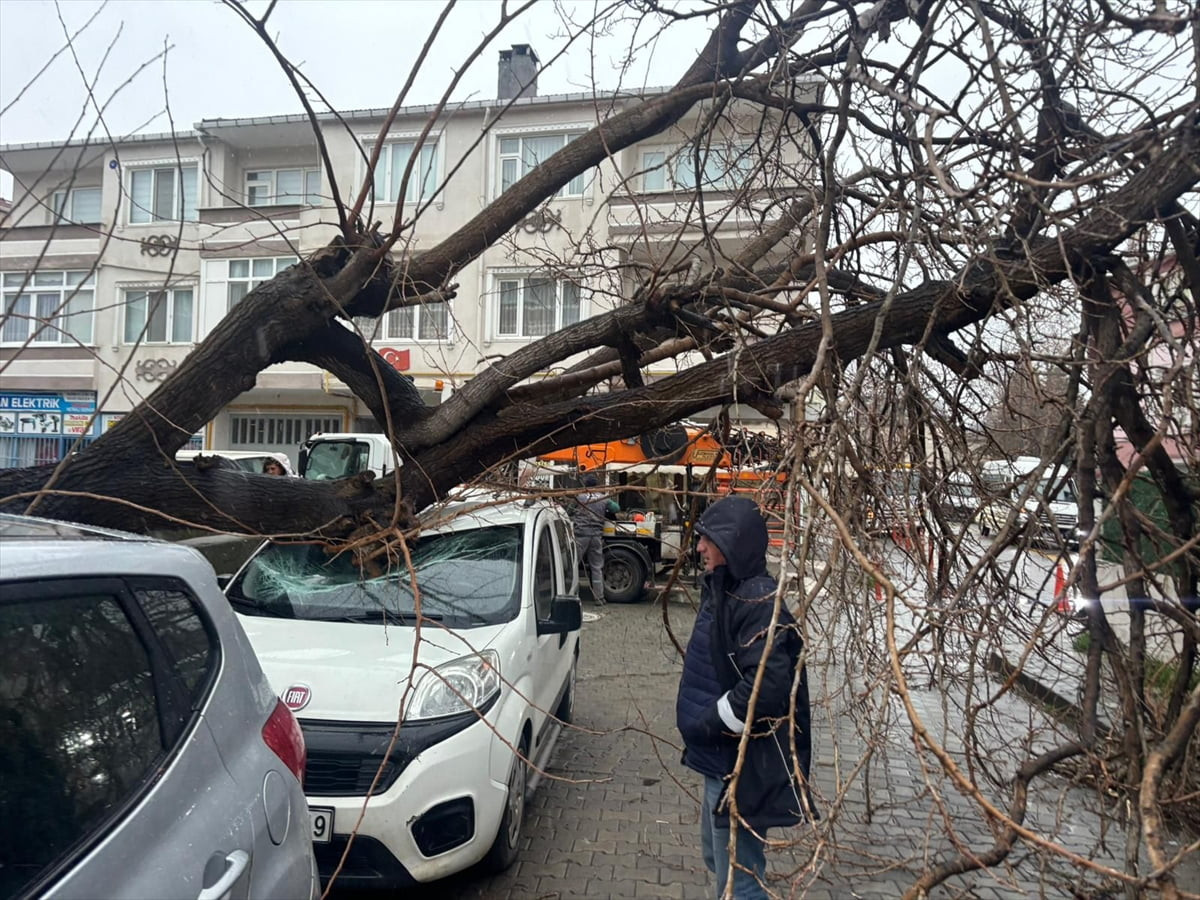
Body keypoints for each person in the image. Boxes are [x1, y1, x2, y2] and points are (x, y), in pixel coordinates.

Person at [675, 495, 813, 899]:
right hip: (716, 761)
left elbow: (766, 688)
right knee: (719, 861)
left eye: (708, 539)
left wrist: (710, 724)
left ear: (733, 544)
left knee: (740, 881)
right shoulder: (726, 589)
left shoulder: (755, 600)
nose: (699, 547)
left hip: (736, 764)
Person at [571, 474, 618, 605]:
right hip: (596, 536)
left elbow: (569, 510)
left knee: (573, 565)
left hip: (581, 535)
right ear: (597, 486)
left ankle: (571, 596)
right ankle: (599, 597)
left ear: (585, 485)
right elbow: (616, 508)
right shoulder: (603, 498)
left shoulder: (579, 497)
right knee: (596, 567)